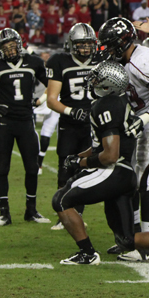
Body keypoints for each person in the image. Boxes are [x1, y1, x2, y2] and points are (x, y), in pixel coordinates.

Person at [54, 60, 149, 266]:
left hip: (113, 171)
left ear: (108, 85)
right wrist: (78, 156)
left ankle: (87, 253)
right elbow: (103, 146)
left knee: (61, 200)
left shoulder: (105, 105)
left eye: (97, 79)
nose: (92, 82)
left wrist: (82, 163)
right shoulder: (117, 102)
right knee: (126, 239)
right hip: (124, 175)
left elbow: (110, 155)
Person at [98, 17, 149, 261]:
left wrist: (141, 121)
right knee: (128, 179)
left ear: (123, 42)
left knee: (145, 180)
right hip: (135, 121)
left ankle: (148, 245)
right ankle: (131, 238)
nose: (107, 50)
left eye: (110, 45)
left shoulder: (145, 59)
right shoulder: (119, 60)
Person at [0, 29, 50, 226]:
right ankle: (4, 213)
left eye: (12, 45)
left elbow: (53, 85)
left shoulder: (34, 62)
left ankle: (31, 210)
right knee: (2, 168)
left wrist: (40, 100)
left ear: (19, 44)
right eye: (5, 47)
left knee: (32, 168)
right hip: (5, 123)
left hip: (26, 121)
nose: (10, 50)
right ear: (0, 49)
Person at [45, 23, 100, 229]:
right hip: (69, 124)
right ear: (72, 44)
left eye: (88, 44)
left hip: (94, 125)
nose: (86, 48)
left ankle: (78, 213)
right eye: (81, 44)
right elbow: (51, 99)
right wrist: (71, 111)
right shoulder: (60, 61)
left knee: (86, 169)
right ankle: (63, 214)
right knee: (65, 169)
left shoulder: (100, 60)